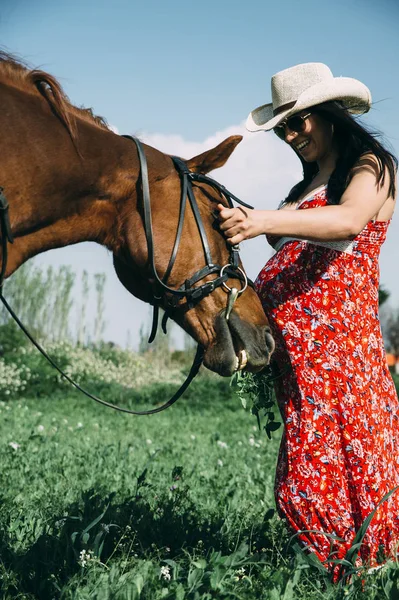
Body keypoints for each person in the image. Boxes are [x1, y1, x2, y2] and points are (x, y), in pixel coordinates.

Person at [217, 62, 398, 580]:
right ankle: (344, 577)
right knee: (307, 479)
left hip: (340, 361)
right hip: (301, 364)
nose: (291, 136)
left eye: (299, 123)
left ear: (330, 114)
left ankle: (359, 576)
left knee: (330, 476)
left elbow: (348, 221)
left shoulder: (371, 166)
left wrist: (264, 222)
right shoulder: (308, 183)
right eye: (283, 128)